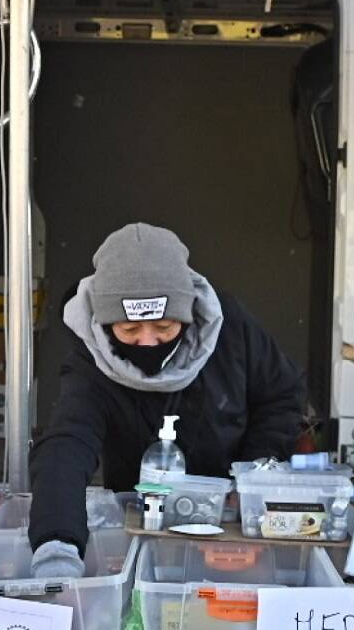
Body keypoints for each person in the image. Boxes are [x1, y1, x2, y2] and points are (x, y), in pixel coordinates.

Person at [27, 223, 306, 577]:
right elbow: (67, 444)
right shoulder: (91, 358)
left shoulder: (231, 328)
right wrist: (57, 545)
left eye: (164, 328)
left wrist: (250, 478)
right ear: (104, 321)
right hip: (141, 520)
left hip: (228, 523)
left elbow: (281, 396)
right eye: (129, 330)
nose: (147, 343)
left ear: (188, 317)